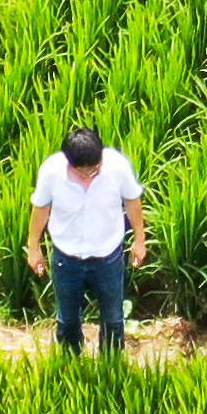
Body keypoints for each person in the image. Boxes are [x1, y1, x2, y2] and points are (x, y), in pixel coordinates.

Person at [25, 125, 145, 358]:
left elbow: (132, 201)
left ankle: (111, 364)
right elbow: (40, 208)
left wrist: (140, 240)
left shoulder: (117, 166)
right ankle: (70, 361)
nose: (92, 174)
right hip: (66, 257)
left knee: (113, 318)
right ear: (70, 164)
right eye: (85, 172)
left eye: (96, 168)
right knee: (67, 319)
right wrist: (33, 247)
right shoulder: (51, 171)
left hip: (108, 256)